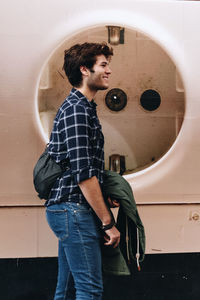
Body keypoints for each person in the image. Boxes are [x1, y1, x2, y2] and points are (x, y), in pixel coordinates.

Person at [45, 42, 120, 300]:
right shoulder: (77, 109)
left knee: (65, 291)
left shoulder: (83, 106)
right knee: (89, 290)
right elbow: (84, 174)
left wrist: (103, 199)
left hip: (70, 210)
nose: (109, 70)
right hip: (73, 210)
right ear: (84, 69)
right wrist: (108, 222)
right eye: (103, 65)